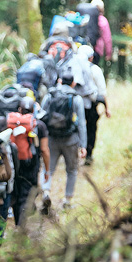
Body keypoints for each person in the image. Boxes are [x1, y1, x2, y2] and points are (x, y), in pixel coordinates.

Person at [40, 68, 87, 210]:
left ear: (60, 81)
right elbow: (81, 124)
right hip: (70, 140)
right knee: (72, 170)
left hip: (51, 139)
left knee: (48, 168)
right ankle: (67, 201)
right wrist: (83, 145)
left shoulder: (50, 96)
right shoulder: (76, 98)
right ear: (73, 83)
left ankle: (46, 192)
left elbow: (42, 116)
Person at [9, 97, 50, 225]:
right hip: (31, 165)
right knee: (26, 196)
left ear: (19, 110)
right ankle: (22, 227)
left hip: (14, 165)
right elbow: (44, 150)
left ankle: (18, 223)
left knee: (17, 193)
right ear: (33, 110)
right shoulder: (40, 126)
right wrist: (47, 170)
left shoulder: (11, 123)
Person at [79, 45, 111, 165]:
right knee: (91, 128)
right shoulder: (95, 69)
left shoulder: (74, 67)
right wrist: (107, 108)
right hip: (91, 106)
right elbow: (102, 91)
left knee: (78, 128)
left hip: (76, 105)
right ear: (91, 57)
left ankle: (78, 152)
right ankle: (89, 154)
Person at [91, 0, 114, 68]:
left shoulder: (86, 18)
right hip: (97, 49)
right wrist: (108, 53)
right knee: (94, 68)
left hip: (85, 48)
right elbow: (107, 39)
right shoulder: (103, 20)